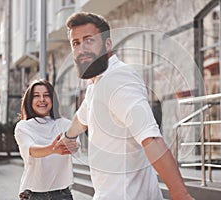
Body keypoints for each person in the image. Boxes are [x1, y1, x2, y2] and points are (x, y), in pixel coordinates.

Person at [57, 12, 194, 200]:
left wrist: (181, 195)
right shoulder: (96, 83)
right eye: (76, 43)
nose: (81, 49)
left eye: (89, 40)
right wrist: (67, 137)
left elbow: (151, 138)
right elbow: (82, 119)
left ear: (107, 44)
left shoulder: (119, 80)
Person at [14, 79, 79, 200]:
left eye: (46, 95)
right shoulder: (23, 127)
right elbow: (31, 150)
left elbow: (75, 145)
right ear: (29, 101)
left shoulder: (65, 124)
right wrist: (52, 149)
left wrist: (73, 146)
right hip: (33, 194)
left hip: (62, 194)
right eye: (36, 96)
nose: (42, 100)